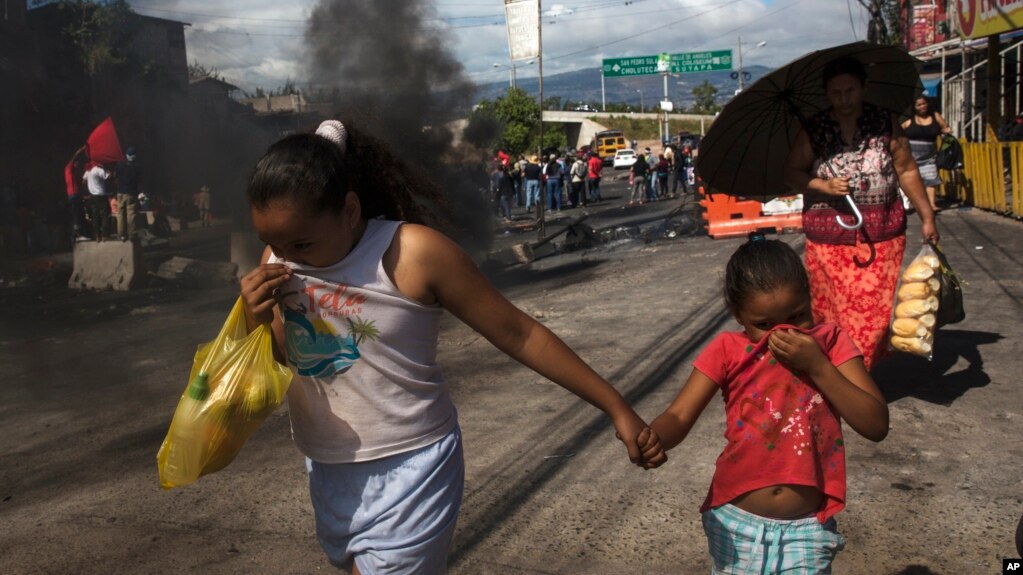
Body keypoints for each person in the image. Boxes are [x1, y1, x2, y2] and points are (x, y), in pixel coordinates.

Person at [239, 120, 664, 574]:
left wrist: (616, 406)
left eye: (301, 243)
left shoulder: (412, 253)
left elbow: (519, 334)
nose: (286, 256)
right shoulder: (280, 258)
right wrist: (256, 317)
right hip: (326, 466)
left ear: (348, 210)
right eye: (272, 243)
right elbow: (285, 359)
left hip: (411, 469)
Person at [649, 234, 889, 573]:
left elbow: (876, 424)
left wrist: (818, 366)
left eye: (798, 316)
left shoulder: (831, 344)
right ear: (737, 314)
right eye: (763, 325)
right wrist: (653, 438)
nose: (783, 334)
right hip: (734, 523)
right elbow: (678, 415)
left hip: (807, 529)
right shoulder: (726, 350)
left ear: (811, 298)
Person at [783, 56, 939, 371]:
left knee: (875, 317)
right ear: (827, 94)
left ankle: (857, 374)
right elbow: (792, 173)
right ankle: (848, 377)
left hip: (883, 237)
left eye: (850, 90)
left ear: (863, 88)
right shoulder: (813, 128)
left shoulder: (885, 123)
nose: (844, 99)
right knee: (835, 316)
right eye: (836, 92)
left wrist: (927, 216)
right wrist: (821, 186)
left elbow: (906, 169)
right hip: (829, 245)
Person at [901, 96, 950, 212]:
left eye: (924, 104)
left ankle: (931, 204)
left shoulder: (935, 116)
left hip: (929, 156)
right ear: (914, 107)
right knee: (910, 179)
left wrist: (947, 133)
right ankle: (909, 203)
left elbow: (945, 128)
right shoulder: (909, 119)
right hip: (910, 156)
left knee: (931, 178)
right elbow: (899, 131)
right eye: (919, 105)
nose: (922, 107)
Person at [82, 161, 113, 241]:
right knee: (105, 214)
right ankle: (105, 235)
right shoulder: (99, 170)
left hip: (92, 196)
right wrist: (108, 171)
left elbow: (83, 181)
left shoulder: (88, 171)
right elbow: (108, 177)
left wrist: (90, 185)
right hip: (101, 195)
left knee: (95, 216)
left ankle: (97, 235)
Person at [116, 146, 141, 241]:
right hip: (131, 193)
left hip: (120, 192)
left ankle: (121, 235)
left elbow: (116, 176)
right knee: (131, 214)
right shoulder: (137, 166)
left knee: (120, 214)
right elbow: (139, 180)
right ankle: (132, 235)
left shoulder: (119, 164)